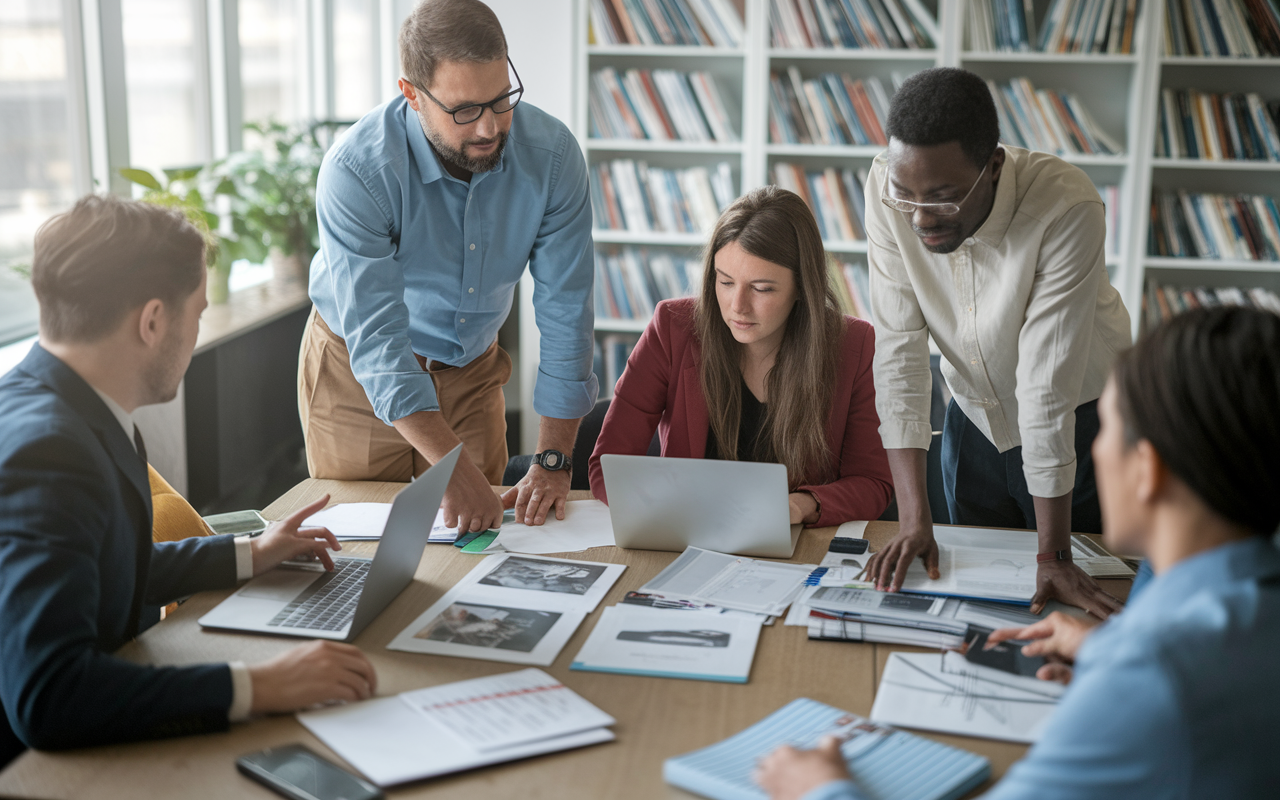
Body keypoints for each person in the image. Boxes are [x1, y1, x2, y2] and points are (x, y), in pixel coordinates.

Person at [755, 305, 1280, 800]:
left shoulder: (1152, 676)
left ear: (1148, 470)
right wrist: (1109, 652)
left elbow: (1167, 685)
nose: (1095, 448)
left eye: (1108, 428)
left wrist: (819, 787)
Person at [0, 195, 376, 769]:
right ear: (152, 321)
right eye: (197, 313)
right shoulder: (48, 452)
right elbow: (49, 696)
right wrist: (259, 687)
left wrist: (251, 552)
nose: (197, 334)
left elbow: (110, 569)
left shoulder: (79, 407)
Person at [301, 0, 596, 535]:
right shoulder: (357, 171)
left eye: (501, 99)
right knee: (364, 544)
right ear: (412, 94)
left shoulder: (553, 158)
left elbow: (566, 310)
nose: (488, 127)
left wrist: (553, 459)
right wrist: (451, 465)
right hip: (357, 372)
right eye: (464, 109)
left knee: (479, 542)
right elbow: (379, 341)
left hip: (471, 365)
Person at [861, 68, 1132, 617]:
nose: (919, 218)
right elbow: (898, 353)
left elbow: (1046, 387)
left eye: (942, 198)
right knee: (981, 608)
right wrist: (915, 520)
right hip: (974, 420)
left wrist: (1054, 553)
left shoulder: (1065, 207)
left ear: (995, 166)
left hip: (1081, 427)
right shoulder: (888, 188)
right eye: (906, 196)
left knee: (1078, 610)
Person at [588, 186, 894, 526]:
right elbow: (607, 466)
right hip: (685, 536)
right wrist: (665, 508)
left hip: (798, 544)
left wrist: (801, 506)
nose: (738, 307)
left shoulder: (854, 344)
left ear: (802, 288)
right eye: (726, 282)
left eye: (762, 288)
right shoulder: (672, 328)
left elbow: (872, 483)